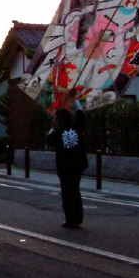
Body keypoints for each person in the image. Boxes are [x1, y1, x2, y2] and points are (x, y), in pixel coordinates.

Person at [47, 95, 88, 229]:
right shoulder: (76, 129)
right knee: (75, 191)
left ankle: (71, 219)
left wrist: (52, 126)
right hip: (78, 165)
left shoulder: (57, 134)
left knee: (67, 194)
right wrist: (75, 100)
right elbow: (81, 114)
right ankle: (78, 217)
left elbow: (48, 139)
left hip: (65, 167)